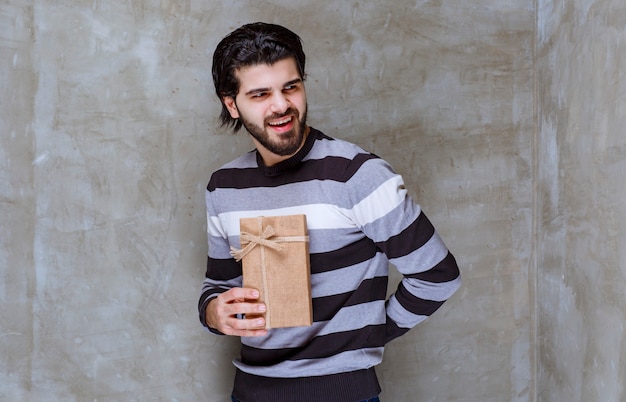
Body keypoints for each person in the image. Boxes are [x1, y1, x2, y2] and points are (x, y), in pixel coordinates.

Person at [198, 22, 461, 402]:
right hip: (250, 392)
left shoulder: (358, 175)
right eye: (260, 94)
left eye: (291, 87)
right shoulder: (223, 186)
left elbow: (438, 275)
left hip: (343, 394)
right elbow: (218, 286)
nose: (281, 105)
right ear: (232, 104)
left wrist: (370, 330)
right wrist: (214, 314)